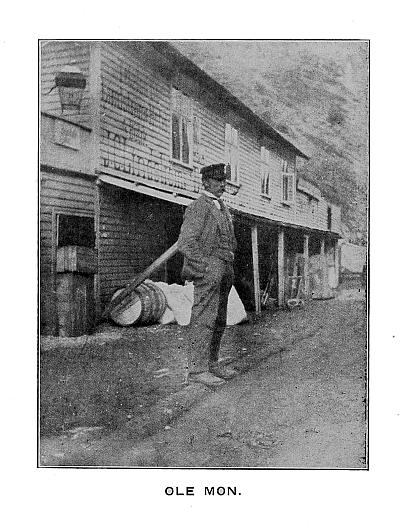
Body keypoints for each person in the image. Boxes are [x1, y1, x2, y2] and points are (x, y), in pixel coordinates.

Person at [177, 163, 239, 387]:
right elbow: (186, 243)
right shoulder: (198, 207)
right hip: (209, 271)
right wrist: (205, 267)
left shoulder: (222, 207)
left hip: (224, 269)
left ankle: (212, 363)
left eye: (223, 180)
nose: (222, 184)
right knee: (203, 319)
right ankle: (197, 370)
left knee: (219, 318)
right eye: (217, 180)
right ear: (205, 182)